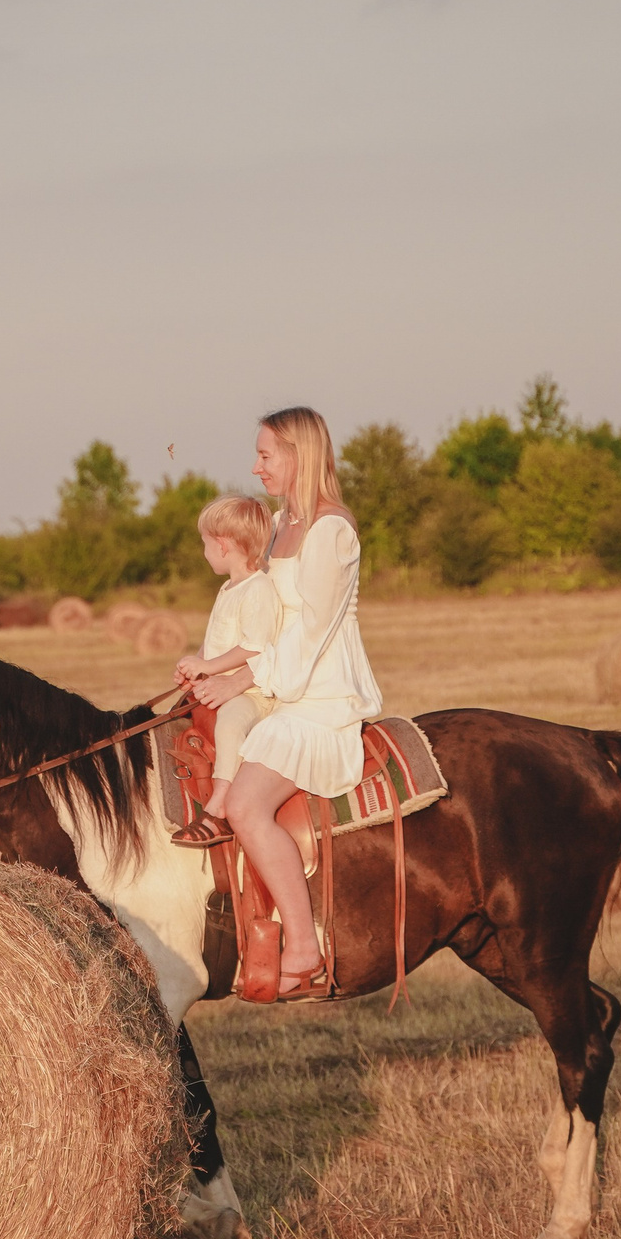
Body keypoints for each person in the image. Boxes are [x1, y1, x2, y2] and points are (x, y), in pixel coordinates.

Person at [186, 407, 384, 996]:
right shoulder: (277, 524)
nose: (256, 465)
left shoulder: (331, 530)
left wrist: (243, 679)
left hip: (319, 695)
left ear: (299, 454)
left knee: (246, 805)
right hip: (279, 680)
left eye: (266, 454)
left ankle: (303, 946)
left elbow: (312, 634)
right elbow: (264, 615)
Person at [171, 493, 281, 844]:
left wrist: (210, 665)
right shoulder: (228, 588)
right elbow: (216, 639)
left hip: (252, 692)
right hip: (222, 680)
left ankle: (219, 806)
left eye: (204, 544)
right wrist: (196, 667)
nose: (203, 552)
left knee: (232, 721)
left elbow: (253, 647)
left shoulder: (259, 589)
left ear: (221, 546)